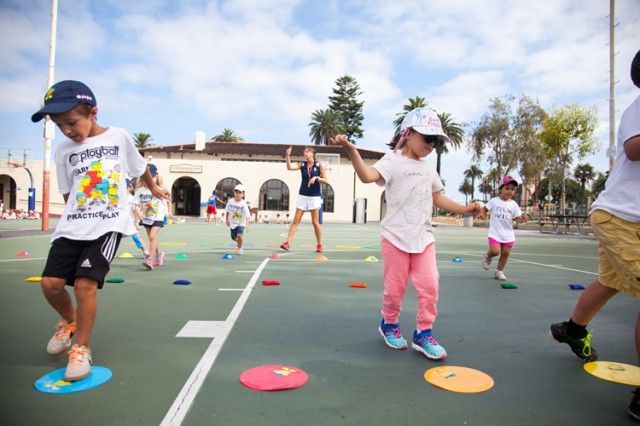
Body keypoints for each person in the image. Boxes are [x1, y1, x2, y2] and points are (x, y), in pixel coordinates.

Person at [31, 80, 170, 381]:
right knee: (50, 284)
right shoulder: (64, 151)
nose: (67, 130)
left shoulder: (118, 137)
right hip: (73, 225)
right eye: (59, 125)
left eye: (71, 122)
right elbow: (68, 194)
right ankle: (70, 322)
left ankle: (82, 347)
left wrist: (155, 185)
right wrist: (73, 216)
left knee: (84, 285)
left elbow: (139, 165)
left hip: (107, 224)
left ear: (93, 112)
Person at [332, 107, 481, 360]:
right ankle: (388, 324)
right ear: (409, 133)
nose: (431, 145)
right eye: (427, 138)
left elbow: (438, 198)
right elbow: (368, 176)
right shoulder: (392, 160)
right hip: (395, 238)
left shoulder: (428, 168)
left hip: (423, 238)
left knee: (430, 286)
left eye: (435, 141)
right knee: (395, 289)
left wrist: (466, 209)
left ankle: (423, 333)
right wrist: (352, 152)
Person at [550, 49, 640, 421]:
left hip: (627, 218)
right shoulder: (638, 107)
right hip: (621, 216)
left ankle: (573, 329)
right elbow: (633, 149)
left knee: (610, 280)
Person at [280, 146, 327, 253]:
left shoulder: (319, 165)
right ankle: (288, 243)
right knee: (296, 220)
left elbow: (326, 180)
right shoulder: (302, 164)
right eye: (304, 152)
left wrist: (316, 178)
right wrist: (287, 156)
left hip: (314, 196)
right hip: (303, 196)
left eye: (307, 151)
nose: (304, 153)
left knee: (315, 222)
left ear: (312, 153)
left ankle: (319, 244)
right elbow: (289, 167)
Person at [480, 176, 528, 281]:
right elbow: (484, 209)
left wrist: (522, 219)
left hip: (508, 234)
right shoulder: (494, 201)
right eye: (507, 188)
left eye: (512, 189)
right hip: (495, 232)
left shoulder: (514, 205)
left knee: (505, 254)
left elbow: (517, 219)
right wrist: (482, 214)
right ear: (500, 189)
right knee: (495, 251)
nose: (510, 191)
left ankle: (499, 271)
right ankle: (488, 256)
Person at [134, 164, 172, 270]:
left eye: (153, 177)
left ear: (156, 177)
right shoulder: (140, 190)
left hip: (158, 217)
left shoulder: (159, 189)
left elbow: (168, 201)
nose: (150, 179)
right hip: (146, 218)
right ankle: (159, 254)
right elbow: (135, 204)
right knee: (152, 239)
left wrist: (169, 212)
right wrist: (139, 214)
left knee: (152, 237)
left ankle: (150, 259)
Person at [225, 184, 250, 255]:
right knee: (233, 238)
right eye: (236, 192)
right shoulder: (230, 201)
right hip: (232, 223)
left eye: (240, 193)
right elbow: (227, 211)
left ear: (243, 194)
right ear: (234, 193)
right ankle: (239, 243)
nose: (238, 194)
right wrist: (226, 220)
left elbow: (247, 215)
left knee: (239, 235)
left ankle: (240, 248)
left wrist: (247, 225)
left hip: (241, 222)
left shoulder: (244, 204)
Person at [127, 179, 149, 258]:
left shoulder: (131, 198)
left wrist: (136, 222)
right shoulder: (120, 198)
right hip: (121, 223)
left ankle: (145, 251)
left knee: (136, 237)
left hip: (131, 223)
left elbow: (136, 210)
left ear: (129, 188)